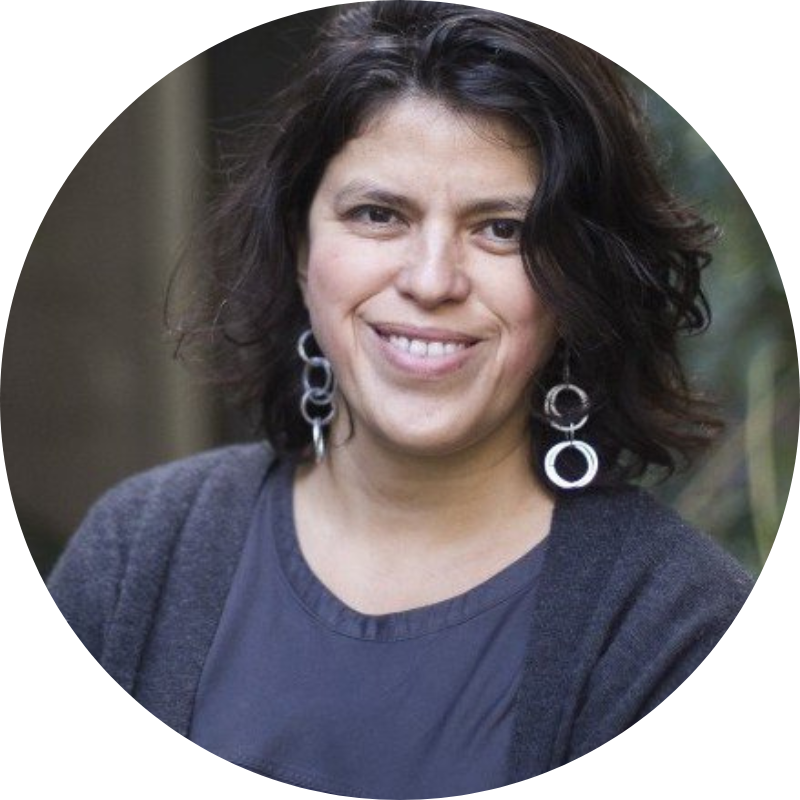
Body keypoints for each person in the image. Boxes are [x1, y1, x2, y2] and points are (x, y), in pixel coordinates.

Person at [47, 1, 754, 793]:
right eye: (379, 214)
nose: (430, 280)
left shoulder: (675, 625)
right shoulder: (141, 553)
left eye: (502, 228)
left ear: (578, 280)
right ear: (300, 247)